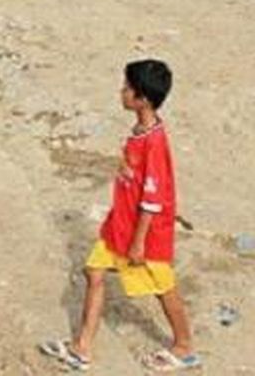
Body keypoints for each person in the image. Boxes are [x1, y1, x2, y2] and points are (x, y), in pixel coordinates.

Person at [40, 59, 201, 372]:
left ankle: (184, 347)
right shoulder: (141, 132)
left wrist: (139, 242)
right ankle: (82, 347)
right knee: (94, 272)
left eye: (127, 88)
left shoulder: (154, 143)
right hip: (121, 225)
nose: (121, 92)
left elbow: (152, 200)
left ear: (141, 98)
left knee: (163, 286)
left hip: (144, 233)